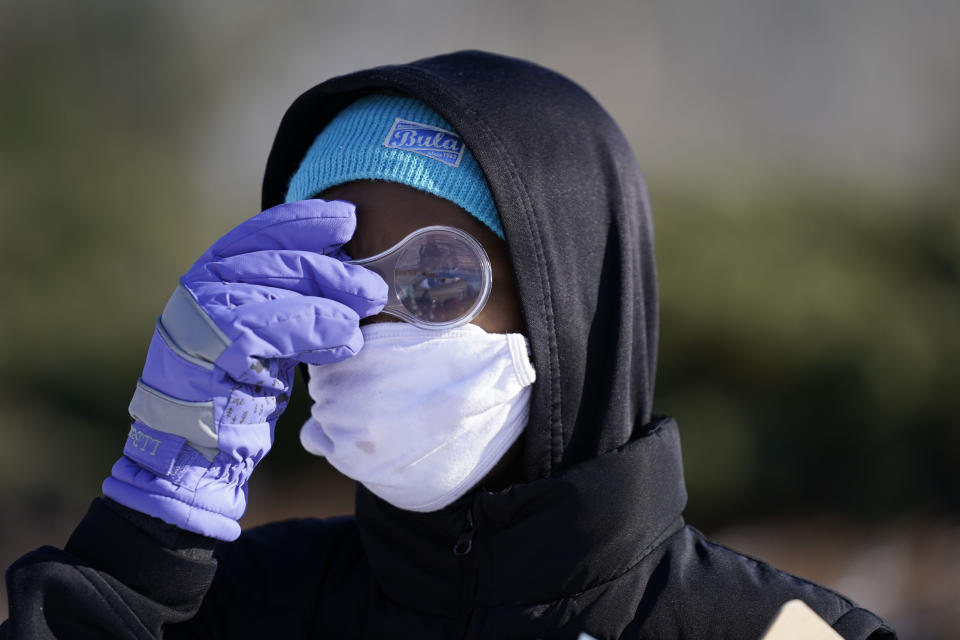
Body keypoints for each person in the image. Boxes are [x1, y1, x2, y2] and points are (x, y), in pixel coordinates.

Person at [1, 50, 895, 639]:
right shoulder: (236, 610)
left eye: (434, 281)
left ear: (571, 304)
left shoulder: (772, 630)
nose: (374, 326)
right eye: (326, 278)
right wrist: (141, 551)